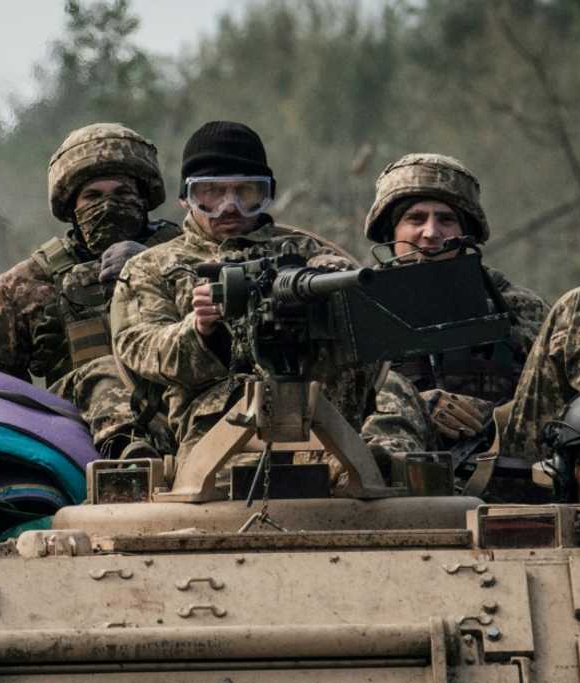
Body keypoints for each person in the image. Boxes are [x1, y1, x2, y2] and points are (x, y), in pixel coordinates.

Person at [360, 153, 580, 483]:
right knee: (390, 386)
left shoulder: (513, 304)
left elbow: (550, 394)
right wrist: (418, 405)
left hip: (509, 453)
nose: (431, 232)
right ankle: (389, 487)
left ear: (466, 231)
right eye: (415, 218)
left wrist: (493, 416)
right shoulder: (357, 308)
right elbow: (329, 407)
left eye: (446, 219)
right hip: (408, 473)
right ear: (390, 231)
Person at [111, 121, 395, 470]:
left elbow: (355, 304)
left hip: (326, 428)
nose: (229, 207)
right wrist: (199, 330)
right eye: (212, 193)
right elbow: (139, 348)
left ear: (266, 194)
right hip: (215, 442)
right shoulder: (151, 267)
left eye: (246, 193)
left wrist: (321, 284)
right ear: (186, 198)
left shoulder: (304, 252)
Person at [0, 123, 180, 457]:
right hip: (75, 438)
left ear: (143, 199)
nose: (108, 207)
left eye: (122, 193)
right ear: (71, 207)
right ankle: (126, 452)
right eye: (92, 196)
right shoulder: (23, 287)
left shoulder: (186, 256)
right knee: (102, 373)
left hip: (184, 415)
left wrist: (154, 267)